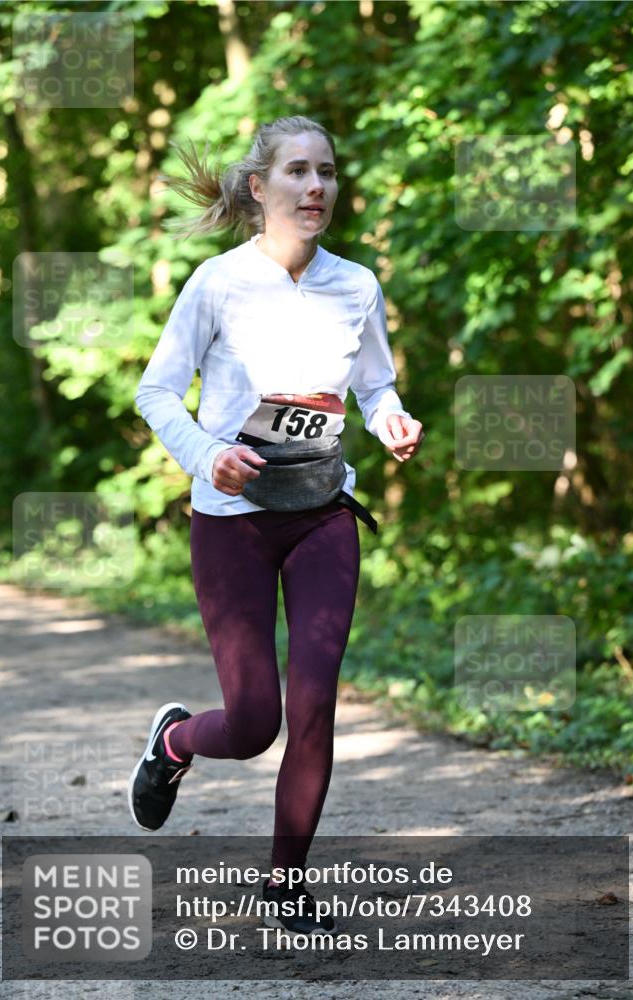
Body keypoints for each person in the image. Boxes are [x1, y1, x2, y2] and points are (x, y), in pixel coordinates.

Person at [128, 115, 424, 936]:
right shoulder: (216, 283)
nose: (316, 186)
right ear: (259, 189)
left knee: (317, 700)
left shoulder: (356, 285)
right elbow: (156, 393)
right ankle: (177, 742)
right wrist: (208, 455)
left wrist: (392, 418)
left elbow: (376, 385)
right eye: (297, 171)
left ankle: (286, 888)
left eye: (326, 171)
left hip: (324, 512)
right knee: (255, 722)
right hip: (233, 522)